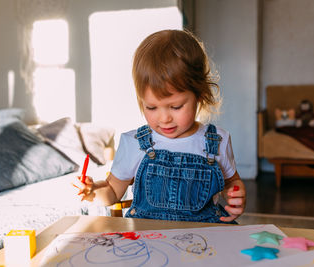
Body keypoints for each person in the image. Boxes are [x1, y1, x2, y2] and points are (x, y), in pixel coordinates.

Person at [73, 29, 246, 223]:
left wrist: (235, 195)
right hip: (149, 240)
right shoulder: (134, 143)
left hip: (203, 240)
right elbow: (112, 191)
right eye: (151, 107)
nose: (164, 118)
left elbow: (231, 181)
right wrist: (91, 191)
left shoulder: (217, 141)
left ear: (199, 94)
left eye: (176, 107)